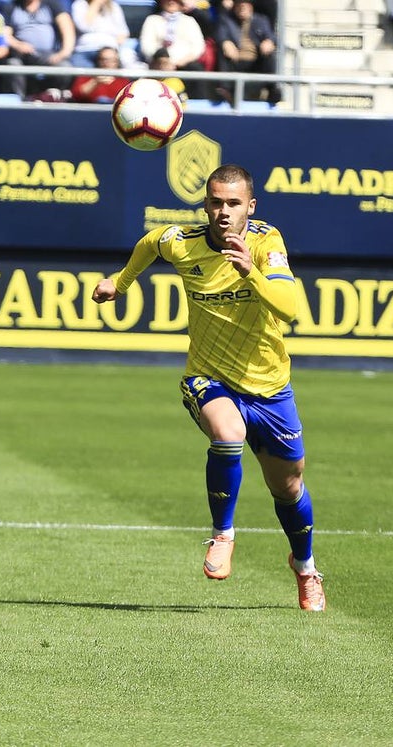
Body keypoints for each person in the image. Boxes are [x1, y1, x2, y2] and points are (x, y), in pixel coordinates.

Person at [91, 164, 327, 613]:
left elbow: (290, 308)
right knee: (227, 433)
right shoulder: (182, 242)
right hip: (209, 376)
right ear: (206, 204)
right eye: (216, 202)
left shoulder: (264, 243)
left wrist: (249, 273)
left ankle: (305, 568)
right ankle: (223, 534)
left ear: (250, 207)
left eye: (233, 203)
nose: (223, 211)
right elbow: (149, 244)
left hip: (269, 385)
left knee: (289, 487)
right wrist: (119, 282)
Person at [2, 0, 76, 98]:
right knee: (12, 65)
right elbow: (5, 35)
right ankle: (20, 102)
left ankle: (52, 99)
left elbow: (67, 29)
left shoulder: (52, 4)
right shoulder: (12, 7)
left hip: (48, 56)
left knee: (65, 67)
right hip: (21, 56)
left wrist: (63, 53)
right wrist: (18, 45)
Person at [137, 0, 207, 99]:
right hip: (158, 63)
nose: (171, 2)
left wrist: (181, 61)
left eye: (175, 0)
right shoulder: (152, 20)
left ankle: (196, 104)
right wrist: (162, 60)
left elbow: (198, 46)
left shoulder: (189, 21)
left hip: (183, 64)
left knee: (196, 70)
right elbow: (146, 45)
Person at [215, 0, 278, 103]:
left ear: (251, 7)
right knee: (223, 51)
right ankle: (225, 89)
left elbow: (271, 36)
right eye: (239, 6)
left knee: (270, 55)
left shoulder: (261, 20)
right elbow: (221, 34)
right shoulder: (227, 20)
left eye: (245, 6)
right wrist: (225, 42)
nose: (242, 9)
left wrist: (269, 41)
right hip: (235, 60)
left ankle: (272, 89)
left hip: (255, 62)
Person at [70, 0, 136, 68]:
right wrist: (96, 4)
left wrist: (111, 46)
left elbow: (123, 32)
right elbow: (84, 26)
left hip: (110, 50)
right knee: (80, 70)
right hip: (85, 49)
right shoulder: (80, 4)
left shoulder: (114, 6)